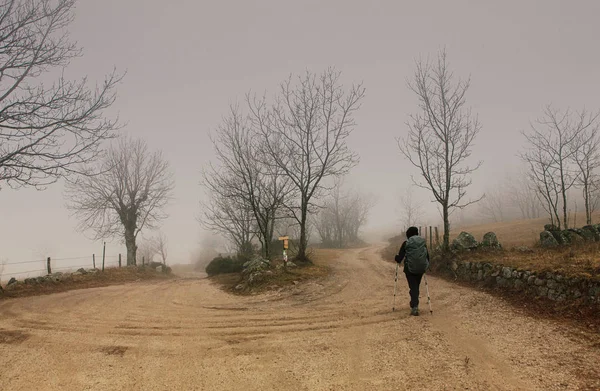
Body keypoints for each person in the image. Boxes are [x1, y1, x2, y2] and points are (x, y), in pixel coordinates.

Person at [395, 226, 430, 316]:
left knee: (413, 287)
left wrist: (396, 258)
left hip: (409, 269)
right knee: (416, 286)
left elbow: (400, 258)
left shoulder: (406, 243)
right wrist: (426, 265)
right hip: (421, 268)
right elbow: (427, 256)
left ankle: (414, 306)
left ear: (408, 234)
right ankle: (414, 303)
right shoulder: (423, 242)